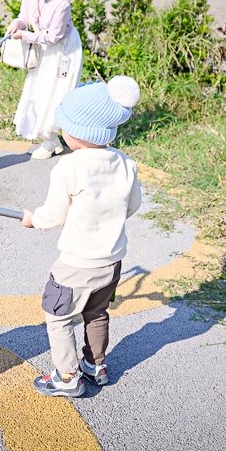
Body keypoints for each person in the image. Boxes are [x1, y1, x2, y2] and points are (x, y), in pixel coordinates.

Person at [20, 76, 142, 397]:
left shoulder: (69, 168)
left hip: (77, 263)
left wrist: (33, 220)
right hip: (112, 260)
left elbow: (52, 215)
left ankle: (67, 375)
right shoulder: (126, 164)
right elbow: (133, 204)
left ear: (77, 134)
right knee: (96, 312)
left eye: (65, 125)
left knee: (58, 315)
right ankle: (94, 364)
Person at [6, 0, 83, 160]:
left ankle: (49, 141)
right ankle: (51, 140)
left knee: (54, 93)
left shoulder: (62, 3)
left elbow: (53, 37)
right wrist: (17, 23)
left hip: (63, 50)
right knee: (37, 89)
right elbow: (24, 16)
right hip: (41, 45)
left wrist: (25, 35)